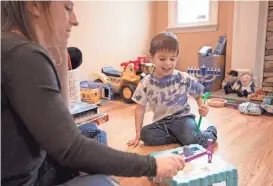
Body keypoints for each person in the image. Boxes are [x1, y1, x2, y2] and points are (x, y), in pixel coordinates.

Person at [1, 2, 185, 186]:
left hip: (35, 163)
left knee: (94, 133)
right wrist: (152, 165)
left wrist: (61, 48)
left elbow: (65, 120)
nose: (75, 20)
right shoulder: (24, 56)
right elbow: (71, 148)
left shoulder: (14, 46)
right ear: (34, 5)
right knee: (104, 182)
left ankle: (92, 176)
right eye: (67, 7)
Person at [127, 32, 217, 148]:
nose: (168, 63)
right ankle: (179, 136)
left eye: (172, 59)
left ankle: (211, 131)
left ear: (177, 58)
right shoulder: (145, 83)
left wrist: (202, 105)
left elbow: (199, 94)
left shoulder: (182, 77)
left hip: (183, 119)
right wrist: (138, 133)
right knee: (146, 134)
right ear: (152, 58)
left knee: (192, 141)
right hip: (161, 124)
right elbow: (140, 108)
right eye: (162, 58)